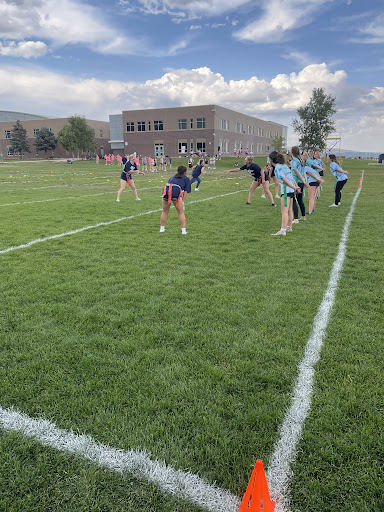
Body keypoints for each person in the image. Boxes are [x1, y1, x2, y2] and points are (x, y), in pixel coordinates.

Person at [271, 153, 302, 236]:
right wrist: (296, 186)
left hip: (286, 190)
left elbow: (285, 180)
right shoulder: (285, 166)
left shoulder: (278, 167)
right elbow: (292, 178)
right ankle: (289, 227)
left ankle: (283, 230)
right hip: (291, 190)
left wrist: (295, 187)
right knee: (289, 210)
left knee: (284, 211)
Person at [160, 165, 191, 234]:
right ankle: (183, 231)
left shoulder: (172, 177)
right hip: (175, 194)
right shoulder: (186, 179)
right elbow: (186, 191)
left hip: (166, 193)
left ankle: (162, 229)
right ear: (185, 172)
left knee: (165, 211)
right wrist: (182, 201)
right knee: (180, 212)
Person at [290, 146, 309, 222]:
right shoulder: (301, 160)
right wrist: (305, 181)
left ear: (292, 152)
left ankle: (295, 218)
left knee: (294, 200)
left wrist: (304, 182)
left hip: (296, 181)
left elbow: (297, 173)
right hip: (301, 181)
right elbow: (303, 171)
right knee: (300, 199)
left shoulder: (294, 161)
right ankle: (303, 216)